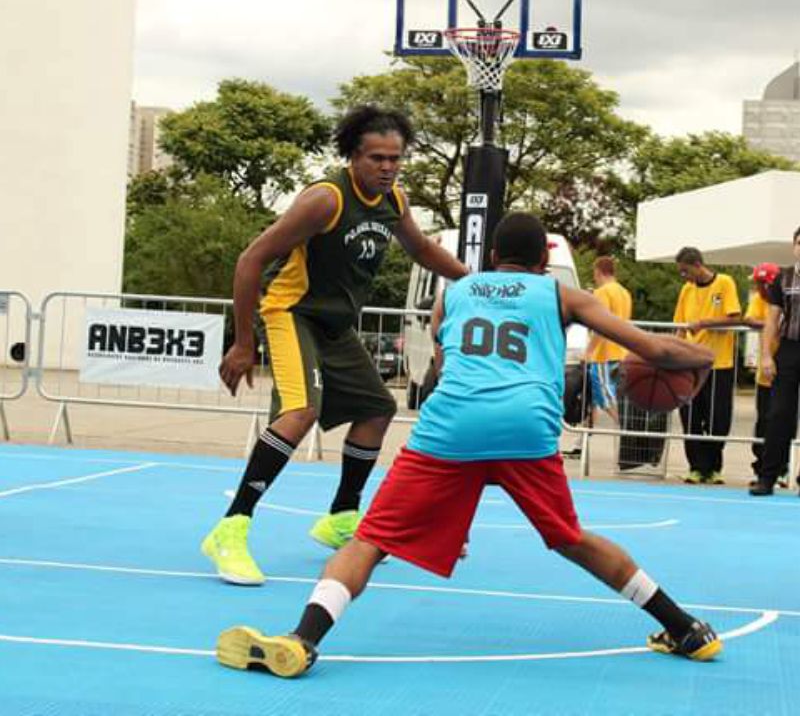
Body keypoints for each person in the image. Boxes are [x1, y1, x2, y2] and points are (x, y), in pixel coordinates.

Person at [215, 212, 721, 677]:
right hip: (526, 428)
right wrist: (697, 357)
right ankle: (685, 629)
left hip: (451, 426)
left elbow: (442, 365)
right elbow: (650, 349)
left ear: (492, 258)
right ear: (544, 261)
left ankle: (302, 640)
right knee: (571, 538)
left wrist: (448, 508)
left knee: (369, 540)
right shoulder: (560, 295)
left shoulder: (453, 293)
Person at [202, 106, 469, 584]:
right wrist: (243, 344)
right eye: (376, 158)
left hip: (335, 326)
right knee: (301, 411)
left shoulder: (395, 201)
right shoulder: (326, 200)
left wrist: (476, 283)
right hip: (291, 313)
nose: (387, 167)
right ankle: (231, 528)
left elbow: (424, 251)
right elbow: (250, 260)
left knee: (377, 408)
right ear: (352, 156)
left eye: (395, 158)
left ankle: (342, 516)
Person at [673, 247, 742, 485]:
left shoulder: (724, 283)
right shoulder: (686, 290)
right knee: (690, 415)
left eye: (685, 271)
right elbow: (680, 326)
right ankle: (696, 467)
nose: (684, 276)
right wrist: (674, 354)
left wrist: (705, 323)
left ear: (697, 265)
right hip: (691, 363)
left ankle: (713, 467)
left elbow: (735, 318)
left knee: (717, 418)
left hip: (719, 363)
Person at [750, 226, 800, 496]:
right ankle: (767, 477)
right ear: (793, 246)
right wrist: (767, 355)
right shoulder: (783, 278)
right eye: (799, 243)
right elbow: (771, 319)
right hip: (789, 349)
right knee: (779, 414)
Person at [742, 263, 782, 482]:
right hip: (765, 373)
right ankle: (761, 468)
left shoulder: (783, 298)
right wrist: (769, 325)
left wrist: (769, 325)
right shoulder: (759, 300)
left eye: (760, 284)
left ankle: (781, 468)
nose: (757, 288)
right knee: (763, 422)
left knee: (783, 421)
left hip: (786, 370)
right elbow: (748, 319)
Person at [585, 256, 633, 424]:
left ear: (598, 272)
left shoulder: (603, 292)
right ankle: (582, 439)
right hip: (621, 351)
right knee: (611, 396)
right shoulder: (624, 293)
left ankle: (624, 426)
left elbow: (601, 324)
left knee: (604, 396)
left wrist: (589, 351)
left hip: (604, 353)